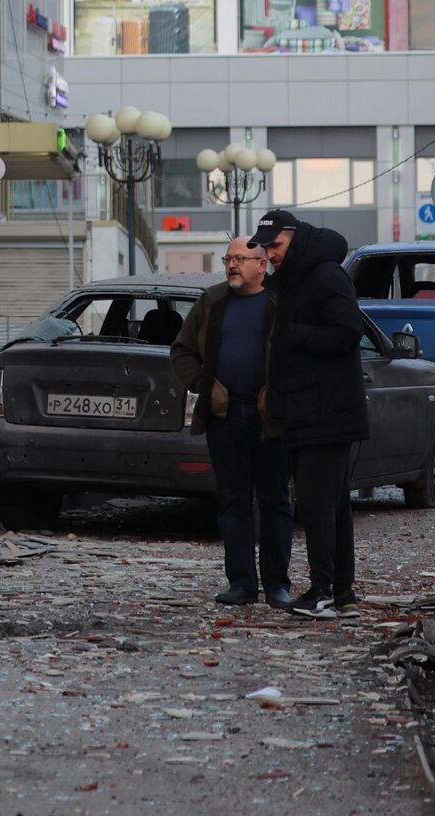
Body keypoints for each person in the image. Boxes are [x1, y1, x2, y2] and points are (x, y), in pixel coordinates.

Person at [248, 208, 368, 620]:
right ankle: (343, 594)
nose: (270, 254)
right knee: (332, 508)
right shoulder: (298, 280)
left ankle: (322, 593)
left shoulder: (325, 276)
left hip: (326, 413)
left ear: (294, 237)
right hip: (312, 410)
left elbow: (349, 332)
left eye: (275, 246)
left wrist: (292, 336)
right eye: (265, 248)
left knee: (318, 507)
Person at [171, 238, 293, 609]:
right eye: (228, 259)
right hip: (226, 416)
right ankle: (242, 582)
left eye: (240, 259)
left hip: (269, 417)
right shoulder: (212, 301)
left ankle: (277, 585)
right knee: (233, 501)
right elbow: (182, 351)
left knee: (275, 501)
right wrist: (205, 386)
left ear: (261, 264)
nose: (232, 265)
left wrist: (282, 393)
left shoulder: (281, 300)